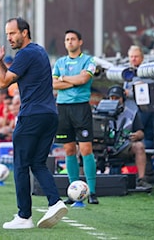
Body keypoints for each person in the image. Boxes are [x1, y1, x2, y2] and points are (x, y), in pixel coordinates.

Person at [0, 17, 67, 229]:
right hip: (49, 114)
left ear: (25, 32)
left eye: (12, 33)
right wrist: (0, 61)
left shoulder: (26, 53)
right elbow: (6, 77)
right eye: (7, 34)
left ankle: (23, 216)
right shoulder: (38, 51)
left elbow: (2, 82)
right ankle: (55, 202)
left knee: (20, 164)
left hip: (32, 115)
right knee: (37, 163)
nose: (9, 38)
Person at [52, 29, 99, 205]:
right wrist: (72, 80)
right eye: (67, 39)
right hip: (63, 108)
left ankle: (92, 191)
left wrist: (65, 79)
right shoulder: (60, 62)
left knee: (86, 149)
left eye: (73, 39)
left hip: (81, 108)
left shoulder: (89, 60)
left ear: (80, 42)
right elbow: (53, 83)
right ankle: (74, 191)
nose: (70, 42)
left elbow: (83, 80)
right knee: (69, 149)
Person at [124, 45, 154, 184]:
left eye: (136, 56)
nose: (133, 59)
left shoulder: (149, 72)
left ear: (142, 57)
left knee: (148, 142)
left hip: (148, 115)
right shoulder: (126, 74)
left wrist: (132, 92)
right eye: (131, 56)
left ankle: (148, 174)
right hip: (131, 116)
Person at [106, 85, 153, 190]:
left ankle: (141, 179)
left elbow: (141, 132)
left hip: (124, 145)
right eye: (111, 98)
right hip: (105, 146)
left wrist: (137, 135)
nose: (114, 101)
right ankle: (81, 180)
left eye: (117, 98)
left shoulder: (131, 113)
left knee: (139, 146)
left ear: (123, 99)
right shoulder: (101, 112)